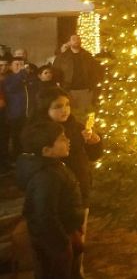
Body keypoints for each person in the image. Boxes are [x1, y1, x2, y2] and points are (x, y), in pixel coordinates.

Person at [16, 120, 85, 279]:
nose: (67, 140)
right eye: (61, 139)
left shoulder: (53, 166)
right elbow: (45, 215)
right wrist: (61, 244)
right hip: (54, 242)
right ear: (46, 150)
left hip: (64, 233)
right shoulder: (47, 176)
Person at [31, 88, 102, 208]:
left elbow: (93, 156)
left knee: (81, 219)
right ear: (45, 108)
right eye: (58, 106)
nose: (65, 110)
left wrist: (94, 142)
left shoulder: (76, 126)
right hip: (57, 191)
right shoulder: (39, 133)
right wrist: (80, 140)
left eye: (67, 105)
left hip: (81, 184)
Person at [52, 35, 103, 122]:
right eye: (74, 39)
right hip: (68, 90)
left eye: (78, 39)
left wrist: (92, 85)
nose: (76, 41)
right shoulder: (62, 57)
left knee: (85, 116)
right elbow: (56, 72)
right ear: (69, 42)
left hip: (85, 90)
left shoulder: (88, 56)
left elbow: (95, 71)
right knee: (69, 115)